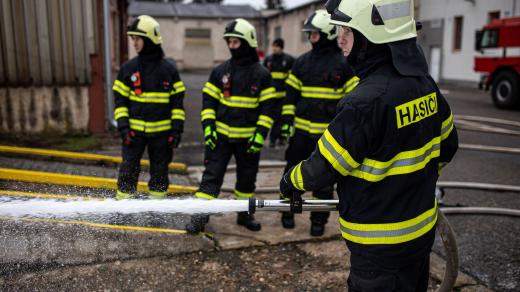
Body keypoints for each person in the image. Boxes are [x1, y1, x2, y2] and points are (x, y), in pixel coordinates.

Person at [280, 0, 459, 290]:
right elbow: (448, 145)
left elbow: (323, 168)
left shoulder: (363, 102)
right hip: (420, 235)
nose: (340, 39)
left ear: (370, 40)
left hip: (377, 247)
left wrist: (290, 181)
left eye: (347, 31)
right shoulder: (425, 85)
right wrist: (413, 183)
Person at [185, 19, 276, 233]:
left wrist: (260, 135)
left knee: (246, 182)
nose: (232, 46)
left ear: (247, 42)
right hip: (221, 139)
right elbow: (208, 103)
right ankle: (199, 217)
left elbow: (268, 109)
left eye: (236, 42)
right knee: (211, 178)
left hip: (248, 141)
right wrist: (208, 128)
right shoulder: (220, 72)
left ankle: (244, 216)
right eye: (230, 42)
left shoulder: (262, 75)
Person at [279, 9, 358, 236]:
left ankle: (319, 220)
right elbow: (290, 97)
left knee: (324, 181)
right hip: (301, 134)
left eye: (314, 33)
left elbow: (351, 102)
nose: (311, 37)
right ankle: (286, 212)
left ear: (327, 34)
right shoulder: (301, 62)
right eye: (309, 34)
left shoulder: (343, 65)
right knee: (291, 173)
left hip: (328, 137)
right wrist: (286, 122)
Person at [113, 15, 185, 200]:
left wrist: (176, 131)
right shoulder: (128, 69)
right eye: (132, 39)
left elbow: (177, 104)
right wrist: (124, 129)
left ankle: (156, 211)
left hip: (162, 135)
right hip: (133, 134)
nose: (134, 43)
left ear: (150, 39)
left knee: (160, 174)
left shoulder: (168, 70)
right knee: (128, 171)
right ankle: (124, 208)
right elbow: (120, 101)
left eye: (137, 39)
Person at [262, 38, 295, 147]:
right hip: (271, 96)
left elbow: (292, 79)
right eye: (273, 46)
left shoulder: (289, 60)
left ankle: (279, 139)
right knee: (274, 119)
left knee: (282, 118)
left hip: (284, 97)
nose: (274, 48)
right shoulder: (268, 60)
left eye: (276, 46)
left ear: (281, 47)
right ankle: (273, 139)